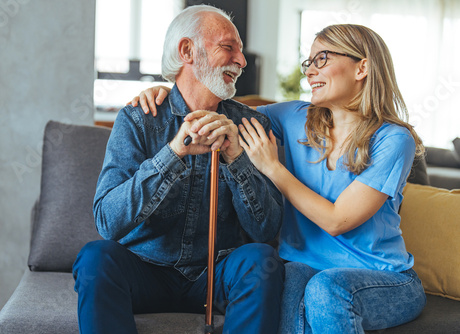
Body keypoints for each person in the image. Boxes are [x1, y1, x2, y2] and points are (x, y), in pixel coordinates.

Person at [132, 24, 427, 333]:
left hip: (382, 278)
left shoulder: (393, 139)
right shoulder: (295, 118)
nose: (310, 71)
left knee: (326, 289)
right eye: (308, 63)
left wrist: (272, 167)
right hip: (304, 267)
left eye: (322, 59)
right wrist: (172, 92)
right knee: (285, 284)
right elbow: (214, 106)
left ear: (362, 67)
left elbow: (338, 221)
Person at [72, 5, 285, 334]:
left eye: (241, 51)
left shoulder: (252, 124)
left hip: (214, 277)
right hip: (145, 272)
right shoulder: (139, 119)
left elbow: (266, 229)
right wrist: (174, 152)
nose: (242, 61)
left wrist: (236, 158)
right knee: (95, 257)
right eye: (229, 47)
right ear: (187, 50)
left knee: (260, 259)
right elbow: (107, 222)